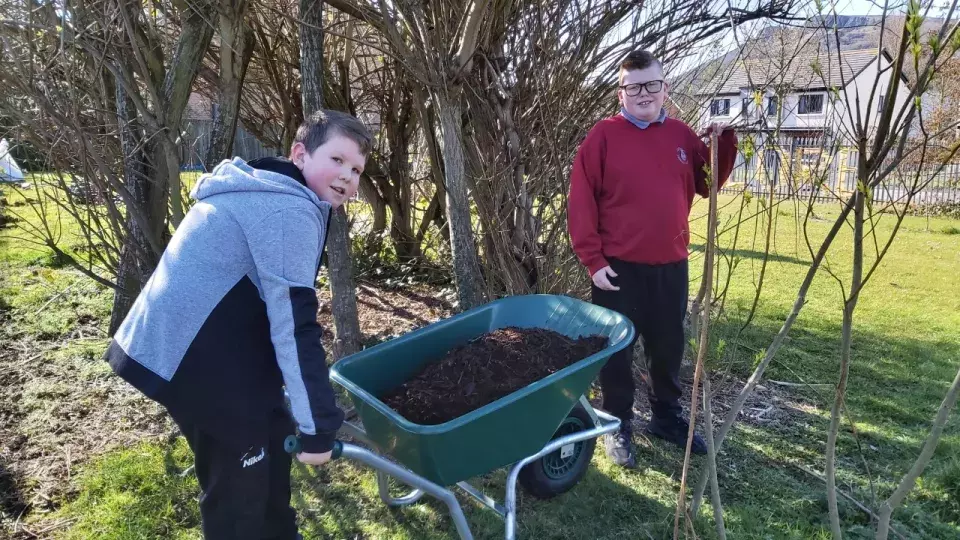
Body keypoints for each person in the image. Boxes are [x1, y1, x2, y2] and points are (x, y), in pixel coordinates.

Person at [104, 109, 371, 538]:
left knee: (272, 430)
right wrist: (320, 427)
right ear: (299, 154)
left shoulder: (265, 188)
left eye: (356, 169)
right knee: (239, 479)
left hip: (194, 339)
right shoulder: (288, 209)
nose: (347, 176)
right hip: (190, 357)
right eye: (337, 160)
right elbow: (294, 323)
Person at [567, 50, 737, 468]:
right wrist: (592, 260)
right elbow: (581, 200)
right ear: (620, 93)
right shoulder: (603, 137)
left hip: (670, 266)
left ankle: (666, 418)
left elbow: (708, 183)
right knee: (616, 352)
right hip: (618, 271)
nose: (644, 93)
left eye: (652, 85)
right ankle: (617, 423)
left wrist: (722, 143)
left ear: (666, 88)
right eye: (634, 86)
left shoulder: (681, 135)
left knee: (667, 347)